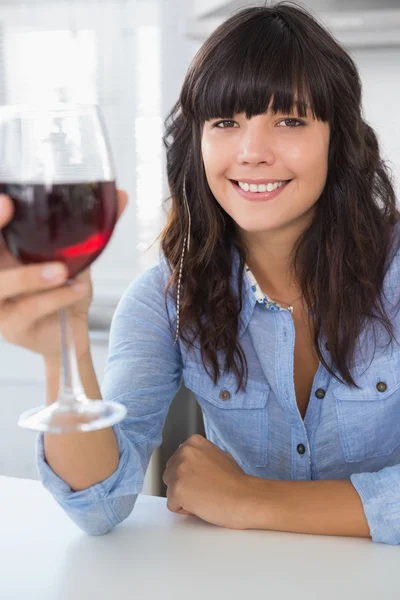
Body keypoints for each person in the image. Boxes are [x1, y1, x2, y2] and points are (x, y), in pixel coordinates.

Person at [1, 1, 400, 545]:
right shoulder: (163, 298)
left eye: (290, 120)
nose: (253, 152)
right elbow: (99, 503)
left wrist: (250, 499)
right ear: (198, 144)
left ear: (339, 138)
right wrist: (60, 350)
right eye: (226, 122)